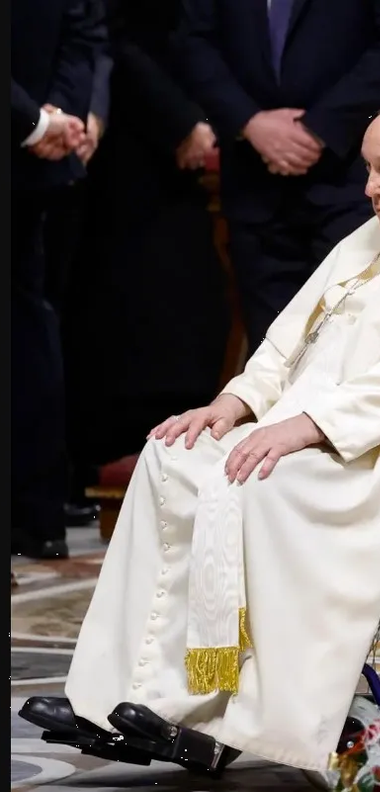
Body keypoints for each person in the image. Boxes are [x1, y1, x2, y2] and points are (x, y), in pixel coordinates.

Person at [20, 96, 380, 773]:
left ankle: (240, 721)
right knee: (171, 456)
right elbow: (287, 341)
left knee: (262, 481)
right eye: (368, 169)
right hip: (324, 429)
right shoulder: (377, 234)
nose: (369, 189)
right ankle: (122, 696)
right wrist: (233, 403)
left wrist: (310, 426)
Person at [174, 0, 380, 348]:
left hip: (355, 179)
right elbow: (193, 40)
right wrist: (249, 122)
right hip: (254, 181)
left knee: (355, 347)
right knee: (270, 353)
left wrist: (319, 129)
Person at [60, 0, 231, 498]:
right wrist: (178, 119)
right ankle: (101, 465)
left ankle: (170, 457)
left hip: (184, 123)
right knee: (124, 310)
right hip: (127, 139)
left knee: (179, 308)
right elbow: (113, 32)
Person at [11, 0, 107, 559]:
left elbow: (84, 23)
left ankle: (32, 512)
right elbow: (84, 30)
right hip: (34, 156)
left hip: (30, 155)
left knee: (28, 330)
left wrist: (41, 122)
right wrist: (50, 119)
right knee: (29, 325)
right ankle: (34, 516)